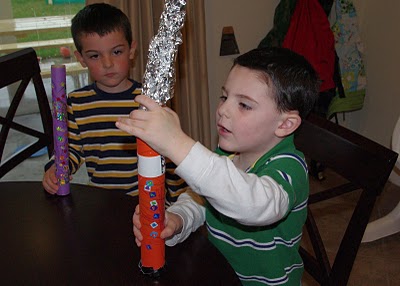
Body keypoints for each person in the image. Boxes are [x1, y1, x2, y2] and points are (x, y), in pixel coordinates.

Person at [116, 47, 319, 285]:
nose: (223, 110)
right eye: (225, 97)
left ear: (285, 124)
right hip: (218, 272)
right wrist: (177, 219)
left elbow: (254, 205)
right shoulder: (228, 153)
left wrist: (176, 143)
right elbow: (202, 199)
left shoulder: (289, 167)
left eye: (244, 105)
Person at [42, 3, 186, 201]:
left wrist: (180, 205)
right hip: (100, 202)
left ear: (131, 50)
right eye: (94, 56)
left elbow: (169, 157)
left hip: (144, 204)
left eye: (116, 52)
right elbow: (70, 149)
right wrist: (55, 169)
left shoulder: (149, 103)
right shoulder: (76, 103)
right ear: (81, 58)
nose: (107, 63)